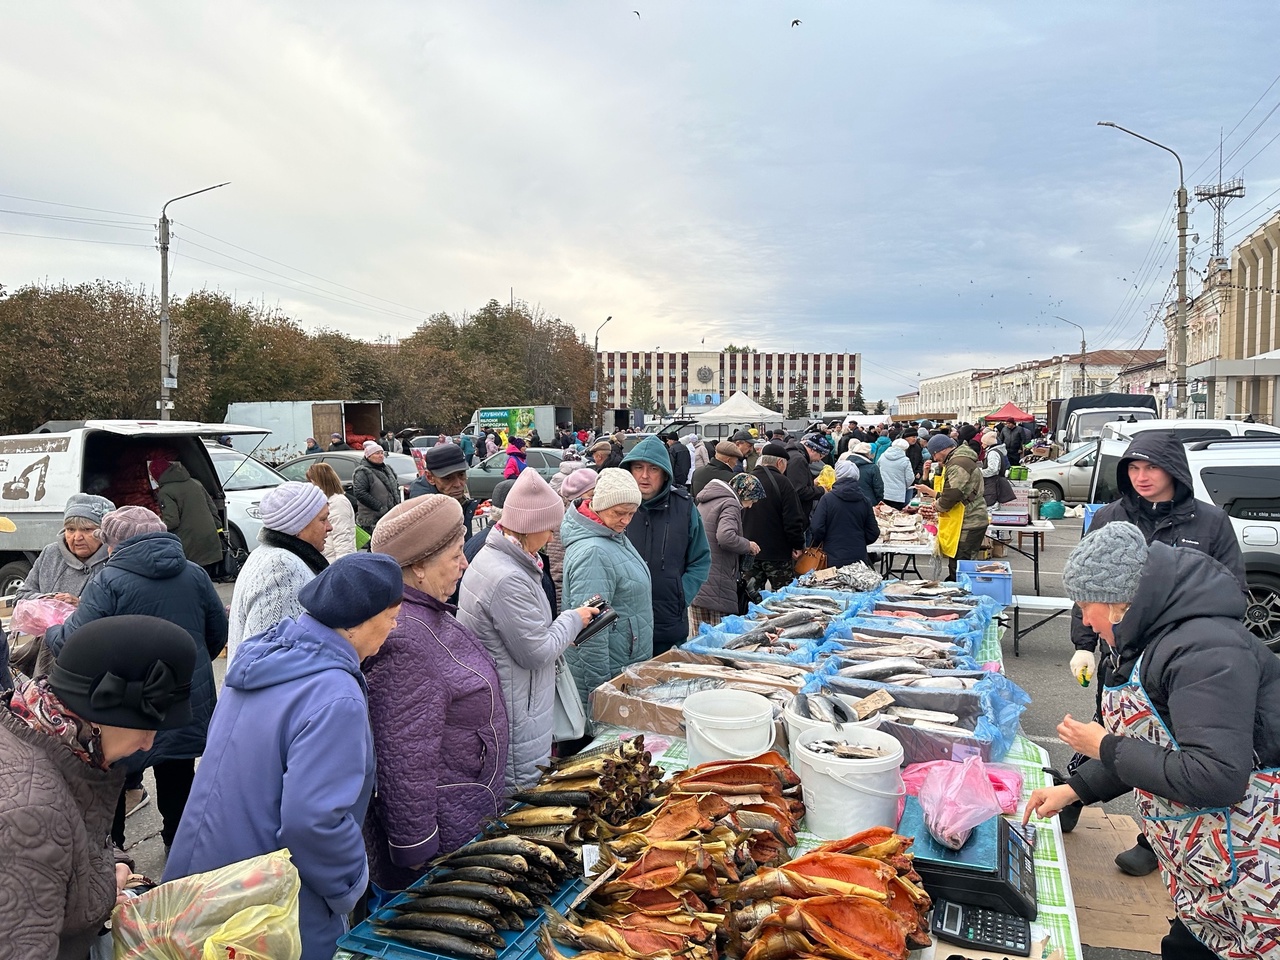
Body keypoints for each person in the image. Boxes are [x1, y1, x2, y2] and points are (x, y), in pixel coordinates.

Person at [1025, 522, 1280, 960]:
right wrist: (1072, 790)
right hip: (1208, 863)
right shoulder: (1152, 637)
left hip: (1253, 866)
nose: (1085, 620)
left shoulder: (1204, 649)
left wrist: (1103, 745)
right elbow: (1152, 743)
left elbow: (1216, 776)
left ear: (1116, 599)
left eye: (1086, 606)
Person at [165, 554, 402, 960]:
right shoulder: (335, 696)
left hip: (205, 874)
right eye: (392, 616)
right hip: (269, 898)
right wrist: (350, 884)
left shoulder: (267, 655)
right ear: (355, 622)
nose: (395, 627)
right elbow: (313, 822)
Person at [1064, 429, 1247, 875]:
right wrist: (1085, 644)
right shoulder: (1110, 515)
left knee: (1168, 741)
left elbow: (1230, 586)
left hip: (1174, 661)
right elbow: (1089, 590)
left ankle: (1153, 838)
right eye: (1133, 467)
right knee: (1118, 727)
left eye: (1152, 467)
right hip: (1120, 652)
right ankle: (1073, 793)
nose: (1142, 476)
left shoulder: (1209, 523)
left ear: (1175, 471)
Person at [1, 616, 196, 959]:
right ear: (103, 713)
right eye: (146, 725)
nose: (149, 743)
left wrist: (108, 869)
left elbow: (66, 837)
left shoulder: (35, 728)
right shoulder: (33, 814)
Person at [43, 506, 227, 855]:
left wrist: (50, 628)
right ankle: (181, 850)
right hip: (181, 696)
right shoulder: (194, 573)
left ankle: (115, 857)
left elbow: (72, 641)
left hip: (124, 702)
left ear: (116, 543)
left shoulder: (109, 580)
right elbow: (217, 632)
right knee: (178, 772)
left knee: (112, 776)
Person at [364, 496, 507, 896]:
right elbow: (404, 757)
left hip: (463, 805)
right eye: (457, 555)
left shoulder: (428, 613)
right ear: (420, 567)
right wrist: (416, 849)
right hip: (444, 828)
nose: (465, 564)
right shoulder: (406, 637)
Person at [457, 469, 596, 794]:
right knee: (521, 796)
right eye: (548, 529)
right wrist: (574, 619)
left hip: (512, 698)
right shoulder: (508, 578)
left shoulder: (497, 558)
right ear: (529, 527)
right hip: (518, 705)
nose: (551, 537)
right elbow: (537, 652)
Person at [560, 468, 654, 714]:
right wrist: (602, 693)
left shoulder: (612, 535)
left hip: (622, 665)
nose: (626, 520)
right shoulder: (594, 552)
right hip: (609, 676)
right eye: (619, 513)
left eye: (632, 514)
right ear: (599, 506)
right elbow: (590, 634)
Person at [619, 436, 711, 656]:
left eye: (653, 469)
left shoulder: (684, 507)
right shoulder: (617, 506)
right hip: (625, 628)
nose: (644, 475)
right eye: (638, 467)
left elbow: (701, 559)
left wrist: (681, 593)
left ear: (665, 473)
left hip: (668, 624)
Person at [227, 482, 331, 661]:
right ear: (298, 526)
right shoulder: (282, 567)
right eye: (323, 519)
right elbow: (265, 660)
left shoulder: (266, 553)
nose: (330, 527)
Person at [690, 472, 762, 628]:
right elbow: (725, 537)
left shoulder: (706, 501)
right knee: (720, 640)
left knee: (700, 640)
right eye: (751, 500)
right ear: (744, 493)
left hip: (699, 580)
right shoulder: (730, 504)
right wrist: (747, 545)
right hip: (717, 582)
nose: (749, 506)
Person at [15, 493, 113, 606]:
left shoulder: (115, 559)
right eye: (71, 529)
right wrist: (46, 600)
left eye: (86, 529)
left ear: (104, 532)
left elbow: (122, 606)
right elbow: (21, 596)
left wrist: (80, 603)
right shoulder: (51, 553)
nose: (77, 538)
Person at [914, 434, 988, 580]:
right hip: (970, 518)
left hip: (970, 520)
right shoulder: (959, 460)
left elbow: (952, 494)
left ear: (941, 450)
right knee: (960, 562)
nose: (935, 459)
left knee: (962, 564)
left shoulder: (957, 463)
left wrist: (938, 506)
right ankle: (958, 586)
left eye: (934, 454)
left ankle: (962, 595)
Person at [741, 441, 806, 591]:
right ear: (779, 463)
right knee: (782, 599)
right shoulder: (783, 483)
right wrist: (797, 544)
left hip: (749, 551)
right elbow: (793, 519)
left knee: (749, 595)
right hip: (777, 553)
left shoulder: (746, 480)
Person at [150, 456, 223, 571]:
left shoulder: (166, 491)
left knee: (192, 580)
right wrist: (218, 531)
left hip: (189, 545)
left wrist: (154, 527)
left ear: (157, 475)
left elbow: (172, 521)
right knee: (205, 579)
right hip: (209, 540)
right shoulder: (196, 483)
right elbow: (212, 508)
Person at [809, 460, 880, 567]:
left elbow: (817, 528)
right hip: (858, 557)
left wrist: (824, 541)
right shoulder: (864, 501)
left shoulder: (827, 499)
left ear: (837, 476)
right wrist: (858, 540)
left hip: (831, 556)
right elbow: (873, 532)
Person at [547, 466, 598, 609]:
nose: (596, 499)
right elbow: (557, 570)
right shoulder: (563, 521)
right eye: (592, 495)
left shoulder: (586, 517)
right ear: (577, 496)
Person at [408, 444, 479, 539]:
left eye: (461, 475)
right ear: (430, 478)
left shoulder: (451, 497)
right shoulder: (423, 512)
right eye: (448, 478)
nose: (458, 484)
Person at [307, 462, 356, 561]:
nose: (310, 485)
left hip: (334, 561)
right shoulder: (325, 502)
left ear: (320, 481)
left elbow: (342, 537)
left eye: (312, 481)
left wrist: (342, 566)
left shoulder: (338, 503)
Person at [354, 441, 401, 534]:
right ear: (369, 456)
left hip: (390, 515)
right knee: (375, 545)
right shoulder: (363, 472)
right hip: (373, 518)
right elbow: (360, 493)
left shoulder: (387, 469)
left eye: (381, 453)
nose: (381, 456)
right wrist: (380, 507)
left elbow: (395, 485)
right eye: (377, 453)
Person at [785, 434, 829, 520]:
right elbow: (799, 491)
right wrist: (821, 490)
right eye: (820, 456)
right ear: (813, 450)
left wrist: (812, 483)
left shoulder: (794, 455)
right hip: (795, 514)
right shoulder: (799, 460)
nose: (819, 460)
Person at [979, 430, 1013, 508]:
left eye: (983, 442)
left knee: (989, 505)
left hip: (992, 483)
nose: (982, 444)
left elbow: (993, 470)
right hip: (994, 483)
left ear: (988, 443)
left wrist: (979, 471)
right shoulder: (997, 451)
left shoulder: (992, 453)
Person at [878, 439, 914, 509]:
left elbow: (878, 471)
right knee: (896, 517)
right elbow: (910, 478)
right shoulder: (905, 460)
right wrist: (903, 486)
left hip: (883, 493)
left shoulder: (882, 456)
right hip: (898, 496)